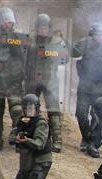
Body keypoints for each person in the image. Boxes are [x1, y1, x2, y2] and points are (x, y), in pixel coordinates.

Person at [70, 23, 102, 157]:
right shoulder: (85, 44)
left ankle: (92, 143)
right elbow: (72, 53)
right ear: (92, 35)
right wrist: (70, 45)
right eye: (98, 35)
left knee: (97, 118)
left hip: (101, 89)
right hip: (85, 87)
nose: (100, 38)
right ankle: (86, 138)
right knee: (81, 114)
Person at [0, 7, 28, 152]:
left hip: (13, 82)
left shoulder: (18, 39)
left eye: (10, 22)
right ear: (0, 23)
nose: (8, 25)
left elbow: (23, 56)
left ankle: (18, 140)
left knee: (17, 112)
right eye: (6, 22)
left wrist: (11, 41)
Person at [26, 13, 68, 153]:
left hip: (50, 80)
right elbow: (24, 59)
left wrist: (52, 53)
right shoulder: (30, 41)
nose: (43, 30)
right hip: (33, 79)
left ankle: (57, 140)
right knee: (30, 108)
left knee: (54, 110)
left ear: (49, 28)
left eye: (45, 28)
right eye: (40, 27)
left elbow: (65, 59)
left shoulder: (57, 42)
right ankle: (29, 136)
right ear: (36, 28)